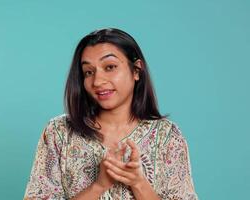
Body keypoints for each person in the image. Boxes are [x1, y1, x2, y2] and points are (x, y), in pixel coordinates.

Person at [24, 28, 198, 200]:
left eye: (110, 67)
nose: (98, 81)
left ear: (136, 70)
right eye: (89, 72)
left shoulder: (167, 136)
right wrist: (98, 186)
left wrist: (138, 183)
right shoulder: (59, 132)